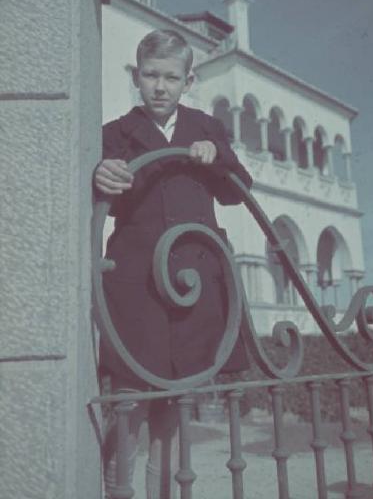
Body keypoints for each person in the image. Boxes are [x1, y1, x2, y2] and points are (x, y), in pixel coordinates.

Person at [94, 29, 252, 499]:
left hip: (192, 288)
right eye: (150, 75)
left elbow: (238, 189)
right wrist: (100, 174)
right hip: (138, 288)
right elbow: (95, 194)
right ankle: (115, 491)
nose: (160, 86)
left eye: (170, 77)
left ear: (188, 80)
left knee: (173, 410)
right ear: (136, 76)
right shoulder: (114, 133)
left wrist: (217, 157)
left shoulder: (205, 127)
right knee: (129, 405)